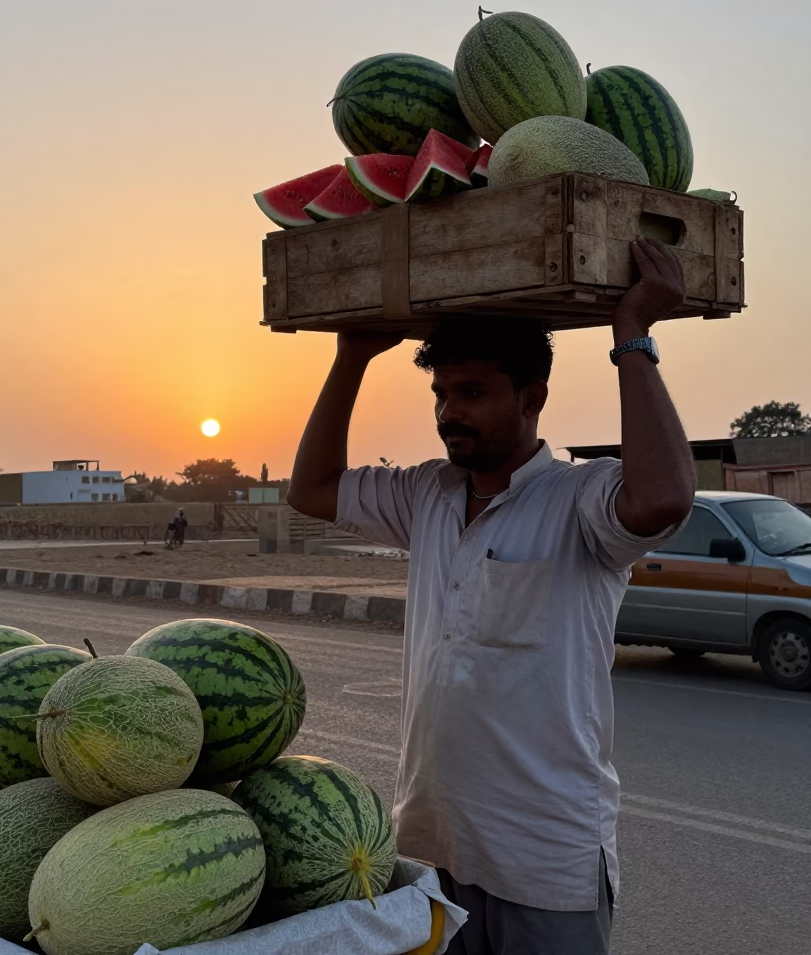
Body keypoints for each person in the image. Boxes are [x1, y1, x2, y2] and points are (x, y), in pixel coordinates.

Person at [287, 238, 694, 955]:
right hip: (431, 844)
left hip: (547, 862)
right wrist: (350, 357)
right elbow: (310, 490)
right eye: (441, 394)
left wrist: (632, 335)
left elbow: (662, 498)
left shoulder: (580, 498)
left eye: (471, 392)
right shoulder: (427, 495)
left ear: (531, 397)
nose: (449, 412)